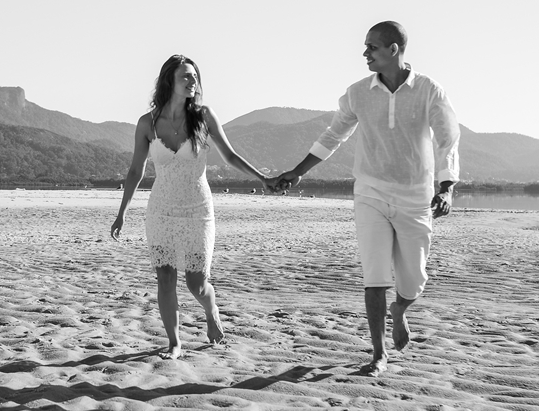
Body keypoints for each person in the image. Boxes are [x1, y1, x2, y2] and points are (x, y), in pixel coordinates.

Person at [275, 21, 460, 375]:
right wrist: (298, 171)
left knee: (413, 281)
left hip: (415, 197)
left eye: (371, 47)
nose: (364, 54)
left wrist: (446, 186)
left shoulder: (428, 90)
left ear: (394, 50)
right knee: (374, 276)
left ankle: (400, 310)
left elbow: (447, 138)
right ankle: (378, 353)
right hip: (370, 193)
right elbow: (333, 135)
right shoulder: (358, 92)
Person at [111, 54, 272, 359]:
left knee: (196, 283)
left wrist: (262, 178)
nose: (192, 81)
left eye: (195, 76)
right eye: (186, 76)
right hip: (160, 210)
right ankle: (174, 343)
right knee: (165, 278)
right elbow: (136, 171)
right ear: (168, 80)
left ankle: (211, 312)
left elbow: (231, 156)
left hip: (198, 210)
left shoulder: (203, 116)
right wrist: (121, 213)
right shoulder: (148, 123)